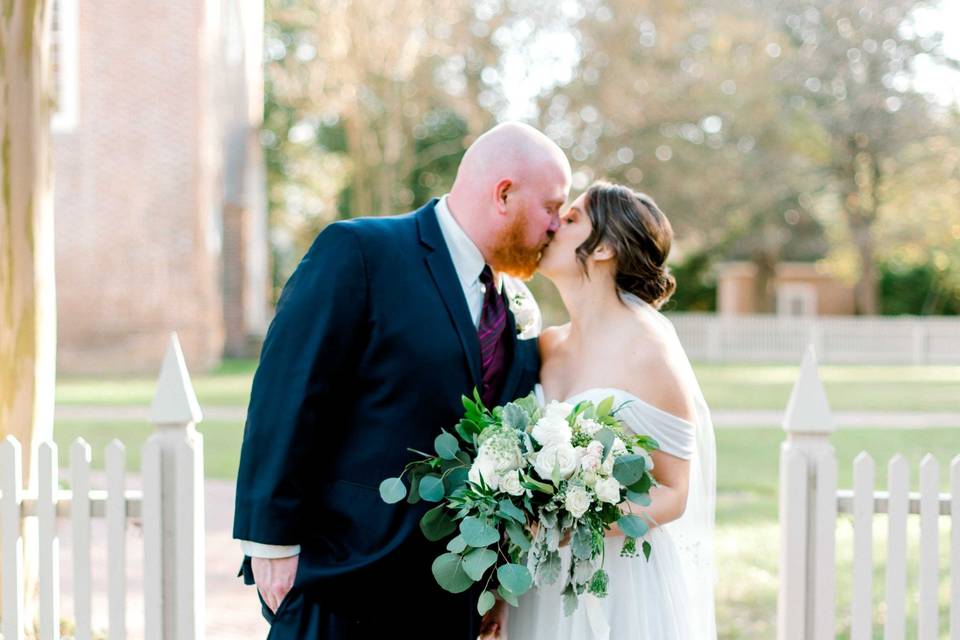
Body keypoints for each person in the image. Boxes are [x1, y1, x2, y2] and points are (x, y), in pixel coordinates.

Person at [232, 122, 572, 638]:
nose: (556, 225)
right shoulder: (362, 252)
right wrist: (271, 544)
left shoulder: (514, 305)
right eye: (551, 207)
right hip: (342, 579)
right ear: (504, 194)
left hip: (448, 597)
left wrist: (492, 580)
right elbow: (288, 393)